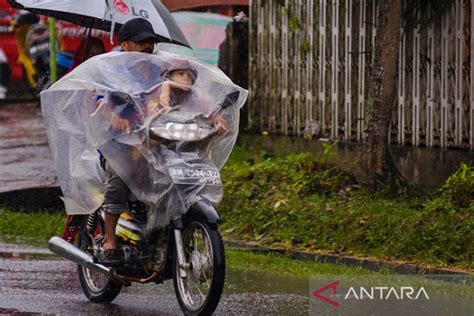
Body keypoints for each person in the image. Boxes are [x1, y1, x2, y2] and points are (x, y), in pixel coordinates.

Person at [98, 18, 160, 267]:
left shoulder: (160, 68)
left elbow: (184, 89)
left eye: (150, 42)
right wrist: (114, 118)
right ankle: (109, 239)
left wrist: (211, 113)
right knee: (120, 177)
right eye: (141, 42)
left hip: (154, 141)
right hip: (119, 144)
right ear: (124, 45)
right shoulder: (111, 69)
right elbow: (100, 100)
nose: (147, 46)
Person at [62, 37, 106, 244]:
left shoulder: (108, 80)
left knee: (101, 187)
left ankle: (100, 230)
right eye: (90, 54)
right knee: (81, 189)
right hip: (79, 141)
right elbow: (64, 112)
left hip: (101, 140)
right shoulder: (72, 79)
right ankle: (71, 235)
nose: (95, 58)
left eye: (99, 53)